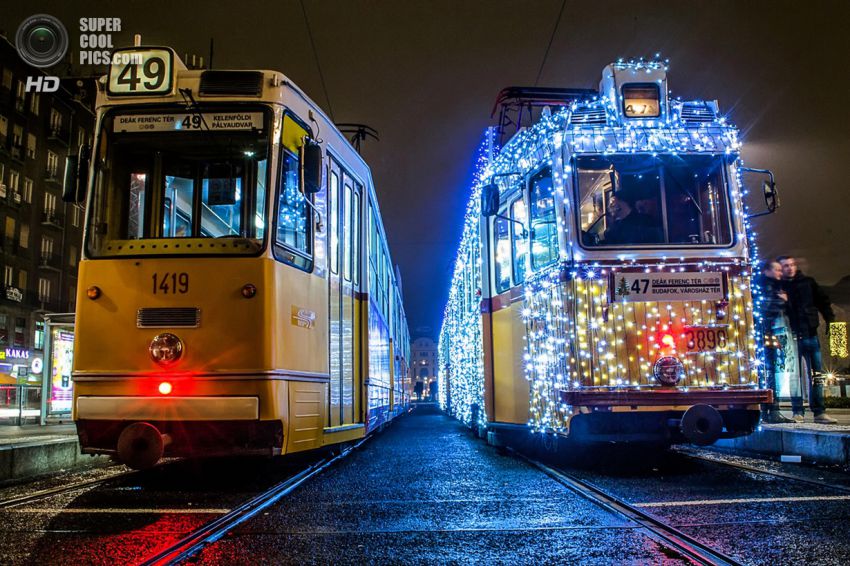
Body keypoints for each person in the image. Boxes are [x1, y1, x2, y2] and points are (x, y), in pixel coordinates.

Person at [778, 255, 838, 424]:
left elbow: (823, 302)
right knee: (794, 376)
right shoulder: (780, 287)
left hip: (810, 334)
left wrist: (830, 320)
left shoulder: (808, 283)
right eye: (785, 266)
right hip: (792, 337)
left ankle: (819, 412)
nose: (790, 268)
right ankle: (798, 411)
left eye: (791, 264)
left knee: (817, 375)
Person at [754, 260, 794, 423]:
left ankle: (767, 410)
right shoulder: (768, 286)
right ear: (767, 271)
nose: (780, 273)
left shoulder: (760, 284)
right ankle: (772, 410)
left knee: (766, 371)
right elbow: (766, 308)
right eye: (777, 270)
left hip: (763, 332)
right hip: (765, 332)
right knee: (769, 370)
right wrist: (782, 300)